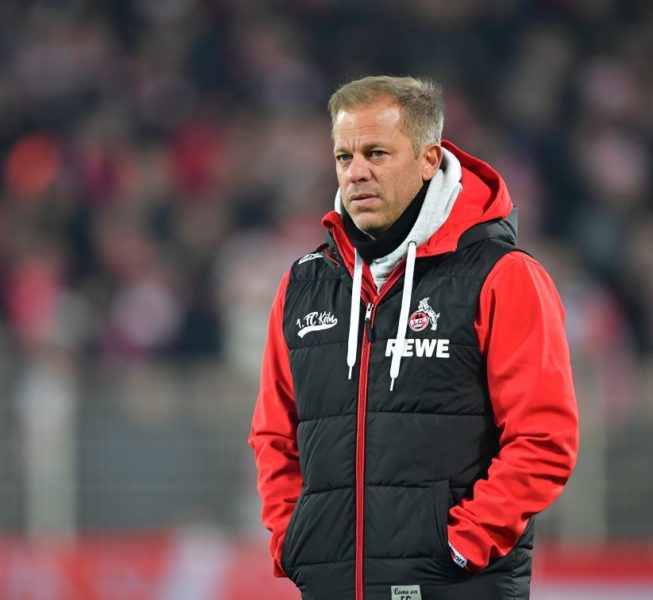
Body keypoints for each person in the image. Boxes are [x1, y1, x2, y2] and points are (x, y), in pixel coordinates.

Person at [248, 75, 579, 600]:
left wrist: (462, 545)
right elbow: (273, 435)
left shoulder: (504, 276)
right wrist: (295, 542)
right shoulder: (303, 285)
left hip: (455, 585)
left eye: (376, 153)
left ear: (429, 159)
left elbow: (543, 440)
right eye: (344, 156)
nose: (356, 173)